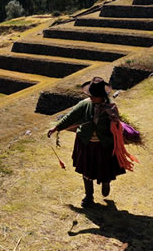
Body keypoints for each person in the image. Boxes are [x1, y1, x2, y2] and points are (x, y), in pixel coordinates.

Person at [46, 77, 127, 206]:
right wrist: (56, 127)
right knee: (86, 171)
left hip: (103, 145)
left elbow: (117, 126)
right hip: (85, 144)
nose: (92, 98)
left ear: (102, 96)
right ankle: (89, 196)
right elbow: (70, 117)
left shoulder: (111, 108)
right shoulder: (84, 104)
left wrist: (113, 119)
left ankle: (106, 182)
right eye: (91, 95)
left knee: (104, 168)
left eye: (95, 96)